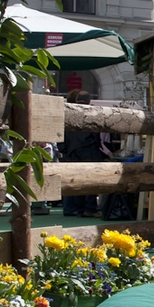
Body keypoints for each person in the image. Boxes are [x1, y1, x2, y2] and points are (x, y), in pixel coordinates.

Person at [61, 90, 109, 218]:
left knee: (76, 181)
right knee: (91, 180)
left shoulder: (68, 112)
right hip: (88, 149)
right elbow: (95, 133)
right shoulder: (91, 112)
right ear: (89, 101)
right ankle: (90, 209)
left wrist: (64, 150)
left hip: (71, 151)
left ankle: (79, 209)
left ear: (76, 100)